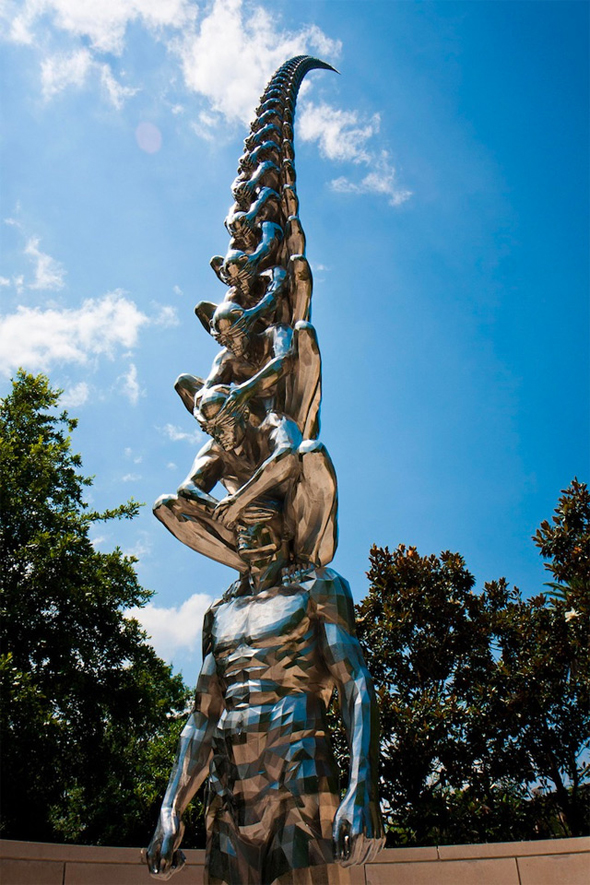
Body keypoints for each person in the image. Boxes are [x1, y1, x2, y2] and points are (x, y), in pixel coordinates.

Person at [145, 516, 384, 884]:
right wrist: (171, 808)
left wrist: (362, 787)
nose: (246, 531)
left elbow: (355, 683)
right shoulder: (219, 612)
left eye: (259, 519)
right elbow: (203, 716)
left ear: (286, 526)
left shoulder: (318, 587)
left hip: (297, 763)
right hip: (228, 780)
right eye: (240, 522)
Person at [153, 385, 336, 573]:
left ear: (243, 414)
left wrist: (239, 501)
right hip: (244, 525)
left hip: (294, 515)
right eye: (210, 430)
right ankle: (249, 570)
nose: (218, 435)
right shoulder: (216, 450)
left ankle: (306, 557)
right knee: (166, 507)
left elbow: (287, 458)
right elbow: (187, 489)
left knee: (312, 453)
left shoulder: (274, 423)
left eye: (223, 425)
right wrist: (226, 511)